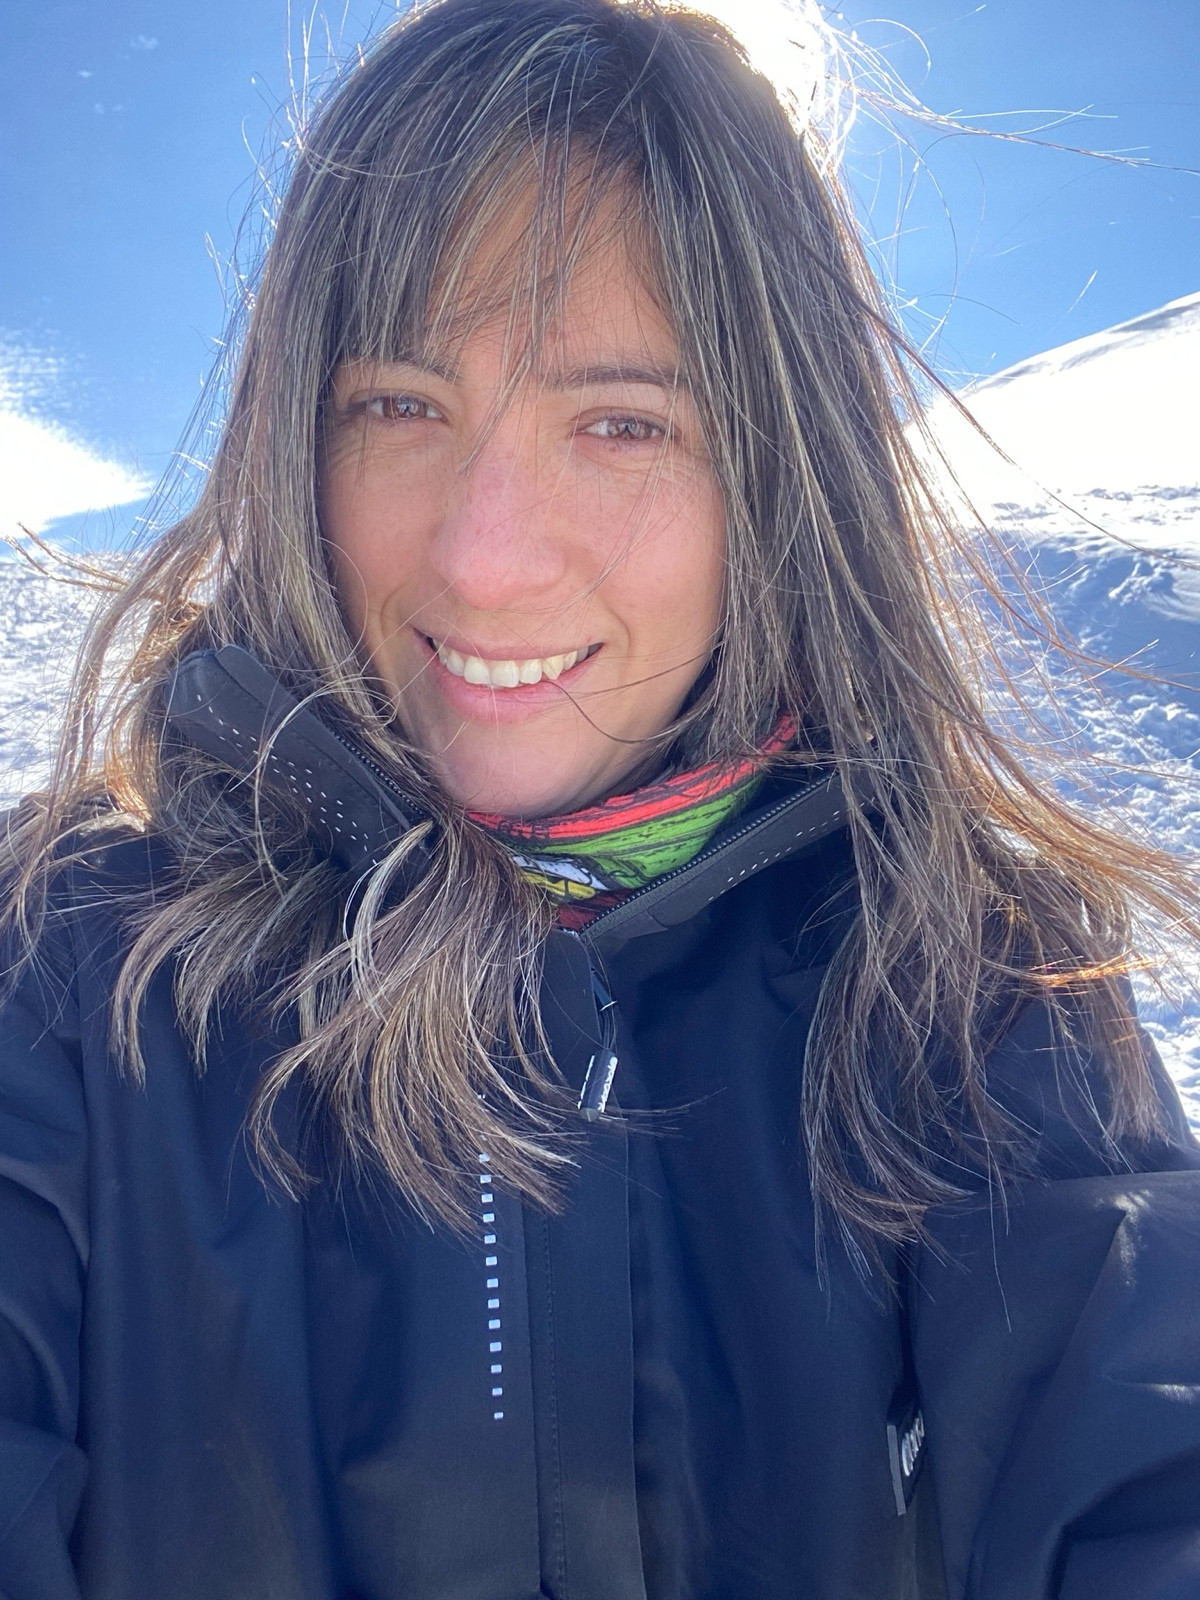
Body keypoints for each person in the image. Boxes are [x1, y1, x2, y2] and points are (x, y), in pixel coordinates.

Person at [3, 0, 1199, 1595]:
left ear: (778, 479)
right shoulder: (67, 976)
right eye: (401, 406)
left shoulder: (971, 995)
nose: (485, 558)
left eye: (623, 425)